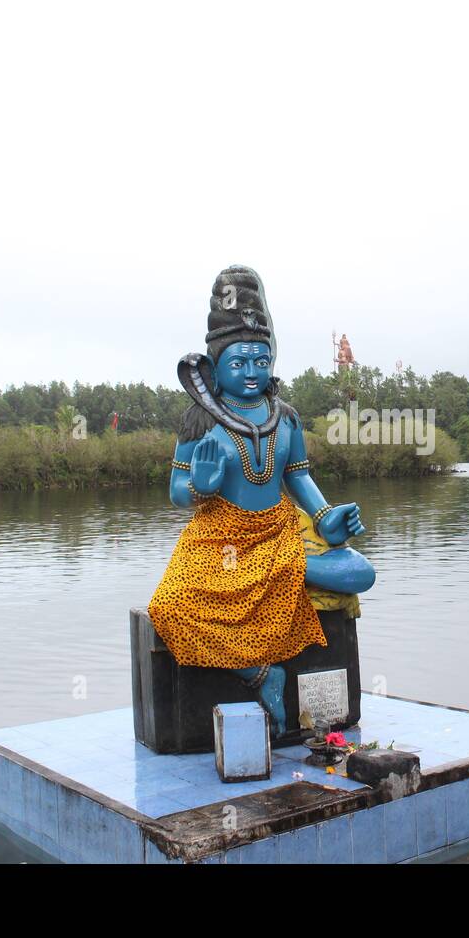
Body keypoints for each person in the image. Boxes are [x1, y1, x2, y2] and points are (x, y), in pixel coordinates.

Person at [147, 266, 374, 736]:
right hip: (219, 540)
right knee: (169, 608)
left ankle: (291, 567)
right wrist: (202, 486)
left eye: (260, 360)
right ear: (213, 369)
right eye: (238, 362)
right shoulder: (200, 422)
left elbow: (301, 479)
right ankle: (258, 672)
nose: (251, 373)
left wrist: (327, 518)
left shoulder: (284, 419)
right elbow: (176, 493)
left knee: (361, 572)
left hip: (279, 531)